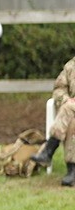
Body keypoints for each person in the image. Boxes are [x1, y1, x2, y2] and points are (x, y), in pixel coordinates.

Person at [30, 55, 75, 186]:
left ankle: (49, 150)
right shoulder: (71, 66)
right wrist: (66, 99)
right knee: (71, 120)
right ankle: (72, 171)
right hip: (72, 110)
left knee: (67, 108)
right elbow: (59, 89)